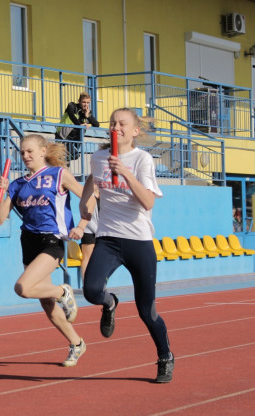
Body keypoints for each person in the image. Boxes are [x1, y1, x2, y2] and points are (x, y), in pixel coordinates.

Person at [79, 107, 174, 383]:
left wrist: (126, 173)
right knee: (91, 289)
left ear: (135, 131)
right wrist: (86, 203)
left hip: (139, 241)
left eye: (122, 124)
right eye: (112, 123)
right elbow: (92, 181)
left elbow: (148, 202)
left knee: (147, 311)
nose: (116, 127)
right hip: (108, 238)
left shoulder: (142, 159)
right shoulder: (98, 157)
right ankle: (110, 303)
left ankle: (165, 356)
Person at [0, 134, 91, 367]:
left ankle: (62, 292)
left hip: (52, 240)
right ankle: (77, 343)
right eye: (22, 152)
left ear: (42, 151)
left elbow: (88, 197)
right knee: (47, 306)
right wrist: (1, 193)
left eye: (29, 151)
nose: (25, 156)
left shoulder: (58, 175)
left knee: (23, 287)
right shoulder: (17, 184)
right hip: (28, 241)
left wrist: (81, 226)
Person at [56, 92, 99, 160]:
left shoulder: (86, 112)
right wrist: (79, 124)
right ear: (79, 101)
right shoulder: (72, 105)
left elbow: (96, 125)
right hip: (63, 136)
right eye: (84, 102)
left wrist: (88, 116)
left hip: (74, 141)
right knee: (74, 155)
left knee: (73, 156)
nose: (86, 104)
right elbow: (71, 115)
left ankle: (61, 161)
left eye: (88, 103)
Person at [78, 186, 99, 280]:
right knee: (87, 258)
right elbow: (84, 214)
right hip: (89, 229)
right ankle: (85, 284)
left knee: (98, 258)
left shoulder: (107, 195)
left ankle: (98, 284)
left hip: (101, 230)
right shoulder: (87, 195)